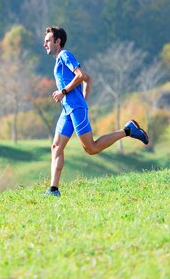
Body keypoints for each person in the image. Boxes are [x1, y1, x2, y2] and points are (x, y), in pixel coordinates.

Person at [43, 26, 149, 197]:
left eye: (48, 40)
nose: (44, 44)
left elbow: (80, 75)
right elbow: (88, 79)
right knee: (56, 146)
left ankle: (128, 130)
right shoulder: (58, 61)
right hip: (67, 110)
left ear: (58, 41)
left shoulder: (64, 55)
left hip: (76, 109)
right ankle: (53, 190)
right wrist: (83, 97)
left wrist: (66, 94)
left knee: (91, 148)